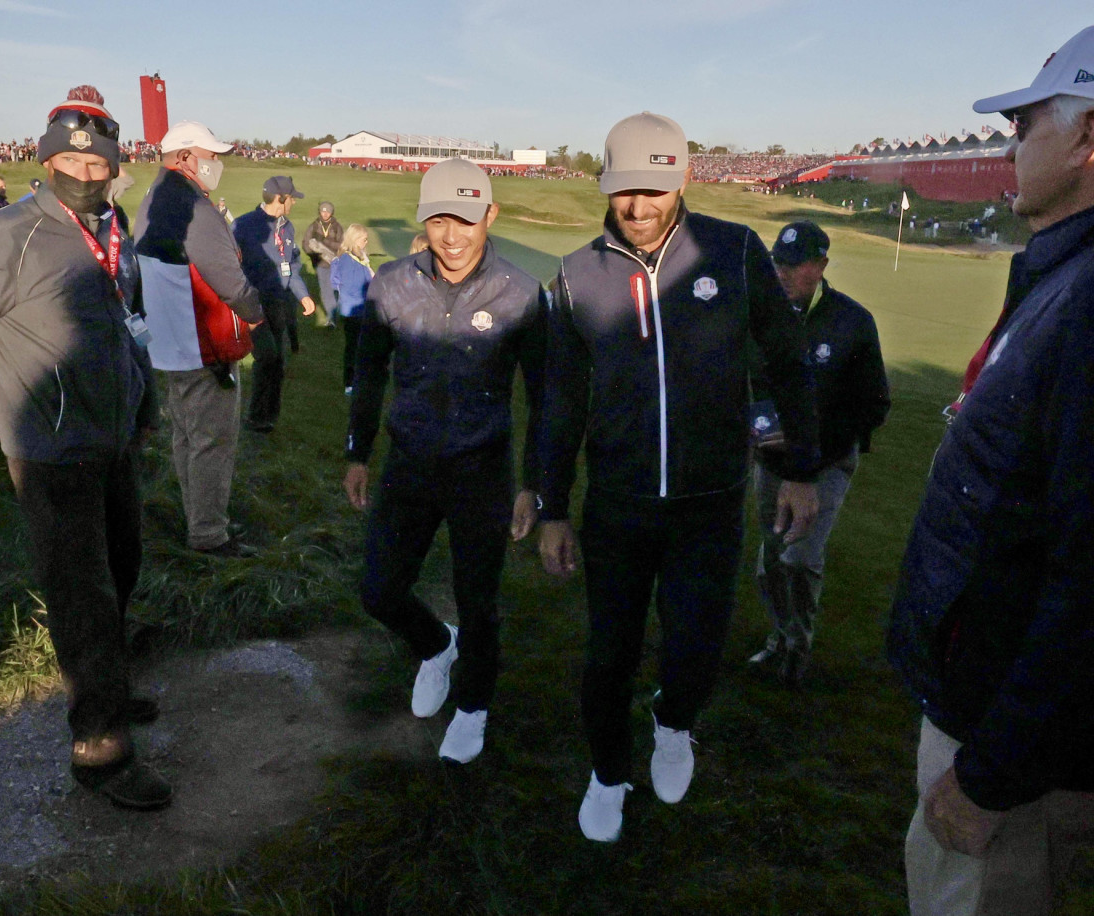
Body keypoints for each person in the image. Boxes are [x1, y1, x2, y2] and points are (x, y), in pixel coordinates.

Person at [536, 112, 820, 843]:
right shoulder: (576, 274)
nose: (637, 207)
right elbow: (559, 405)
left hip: (710, 505)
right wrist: (554, 509)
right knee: (609, 655)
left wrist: (800, 468)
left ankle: (672, 723)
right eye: (623, 190)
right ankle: (606, 773)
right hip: (618, 508)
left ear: (683, 180)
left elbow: (787, 359)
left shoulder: (733, 251)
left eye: (653, 189)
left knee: (695, 650)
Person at [0, 86, 171, 810]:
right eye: (70, 161)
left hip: (113, 438)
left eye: (99, 165)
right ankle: (100, 751)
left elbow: (128, 326)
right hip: (49, 447)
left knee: (120, 571)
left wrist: (143, 403)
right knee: (81, 594)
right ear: (45, 159)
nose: (86, 175)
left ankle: (107, 688)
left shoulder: (114, 228)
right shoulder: (6, 234)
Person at [888, 25, 1094, 915]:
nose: (1011, 142)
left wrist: (990, 772)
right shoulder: (1063, 276)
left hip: (1012, 754)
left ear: (1088, 139)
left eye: (1026, 123)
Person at [343, 158, 546, 765]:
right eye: (437, 220)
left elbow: (546, 397)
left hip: (482, 468)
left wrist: (533, 483)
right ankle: (436, 644)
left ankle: (474, 704)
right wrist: (358, 452)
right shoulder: (391, 284)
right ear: (423, 220)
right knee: (379, 590)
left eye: (465, 219)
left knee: (478, 599)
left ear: (491, 216)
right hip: (408, 462)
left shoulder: (522, 293)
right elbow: (369, 372)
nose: (451, 236)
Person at [748, 221, 889, 686]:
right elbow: (750, 383)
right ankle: (780, 636)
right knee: (770, 560)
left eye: (795, 264)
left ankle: (798, 643)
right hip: (771, 463)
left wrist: (811, 448)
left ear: (822, 265)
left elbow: (874, 405)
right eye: (778, 262)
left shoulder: (852, 322)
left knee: (800, 559)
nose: (783, 272)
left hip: (827, 463)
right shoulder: (762, 315)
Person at [134, 120, 264, 557]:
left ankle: (201, 517)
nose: (217, 165)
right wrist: (258, 313)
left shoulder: (153, 197)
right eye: (213, 156)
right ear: (187, 157)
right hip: (202, 344)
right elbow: (229, 280)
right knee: (212, 442)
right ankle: (209, 534)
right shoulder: (193, 206)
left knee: (187, 437)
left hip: (169, 343)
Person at [231, 175, 316, 433]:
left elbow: (292, 266)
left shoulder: (287, 227)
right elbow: (230, 266)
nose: (294, 202)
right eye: (292, 198)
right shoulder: (243, 226)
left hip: (279, 302)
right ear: (280, 199)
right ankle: (255, 417)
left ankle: (269, 417)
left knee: (278, 361)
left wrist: (303, 294)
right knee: (266, 356)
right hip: (253, 303)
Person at [330, 223, 374, 394]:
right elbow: (352, 286)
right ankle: (350, 383)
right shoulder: (348, 261)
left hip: (358, 309)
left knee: (359, 346)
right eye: (364, 239)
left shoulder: (356, 257)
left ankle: (357, 379)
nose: (366, 242)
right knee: (354, 348)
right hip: (354, 311)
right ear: (355, 240)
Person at [303, 200, 343, 326]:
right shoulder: (314, 225)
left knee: (336, 289)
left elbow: (342, 246)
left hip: (335, 263)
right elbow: (306, 243)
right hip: (320, 264)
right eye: (322, 211)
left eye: (328, 212)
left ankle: (339, 313)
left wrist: (325, 244)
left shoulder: (337, 227)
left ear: (331, 213)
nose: (325, 214)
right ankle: (332, 318)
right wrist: (314, 253)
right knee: (326, 290)